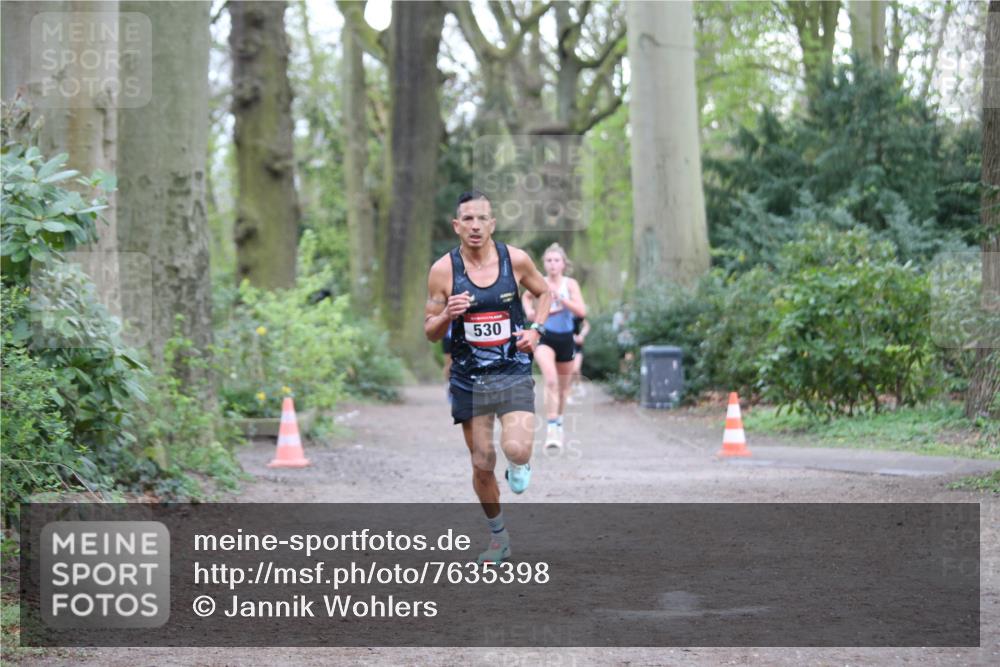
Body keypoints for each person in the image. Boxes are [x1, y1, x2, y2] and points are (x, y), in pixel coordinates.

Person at [424, 190, 552, 565]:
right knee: (481, 461)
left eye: (482, 219)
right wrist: (447, 313)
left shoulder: (516, 260)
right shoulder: (443, 270)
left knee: (516, 448)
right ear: (457, 225)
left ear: (492, 223)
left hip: (511, 368)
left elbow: (544, 293)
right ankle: (499, 538)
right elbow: (430, 331)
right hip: (468, 378)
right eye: (468, 219)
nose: (475, 226)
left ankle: (520, 462)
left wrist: (536, 331)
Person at [522, 243, 587, 449]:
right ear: (544, 263)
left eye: (556, 260)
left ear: (563, 264)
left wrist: (561, 299)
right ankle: (551, 428)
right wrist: (530, 313)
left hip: (566, 338)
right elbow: (526, 295)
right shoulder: (539, 281)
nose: (552, 264)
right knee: (550, 380)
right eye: (548, 260)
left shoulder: (570, 284)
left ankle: (558, 421)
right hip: (544, 337)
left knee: (563, 388)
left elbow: (581, 312)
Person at [568, 315, 590, 402]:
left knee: (576, 369)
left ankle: (578, 384)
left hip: (577, 346)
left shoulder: (575, 313)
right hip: (565, 344)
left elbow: (587, 325)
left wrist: (581, 335)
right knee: (569, 370)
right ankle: (568, 394)